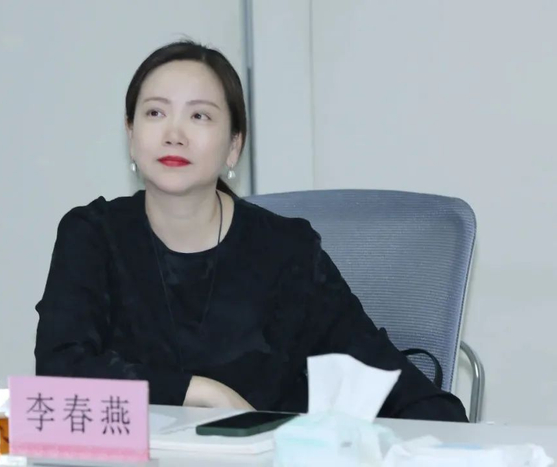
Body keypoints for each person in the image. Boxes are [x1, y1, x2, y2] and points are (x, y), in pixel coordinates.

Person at [34, 40, 468, 422]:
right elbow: (58, 375)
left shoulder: (286, 252)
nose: (173, 134)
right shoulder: (92, 236)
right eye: (155, 112)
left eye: (199, 116)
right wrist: (200, 392)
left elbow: (394, 386)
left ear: (234, 146)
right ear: (131, 134)